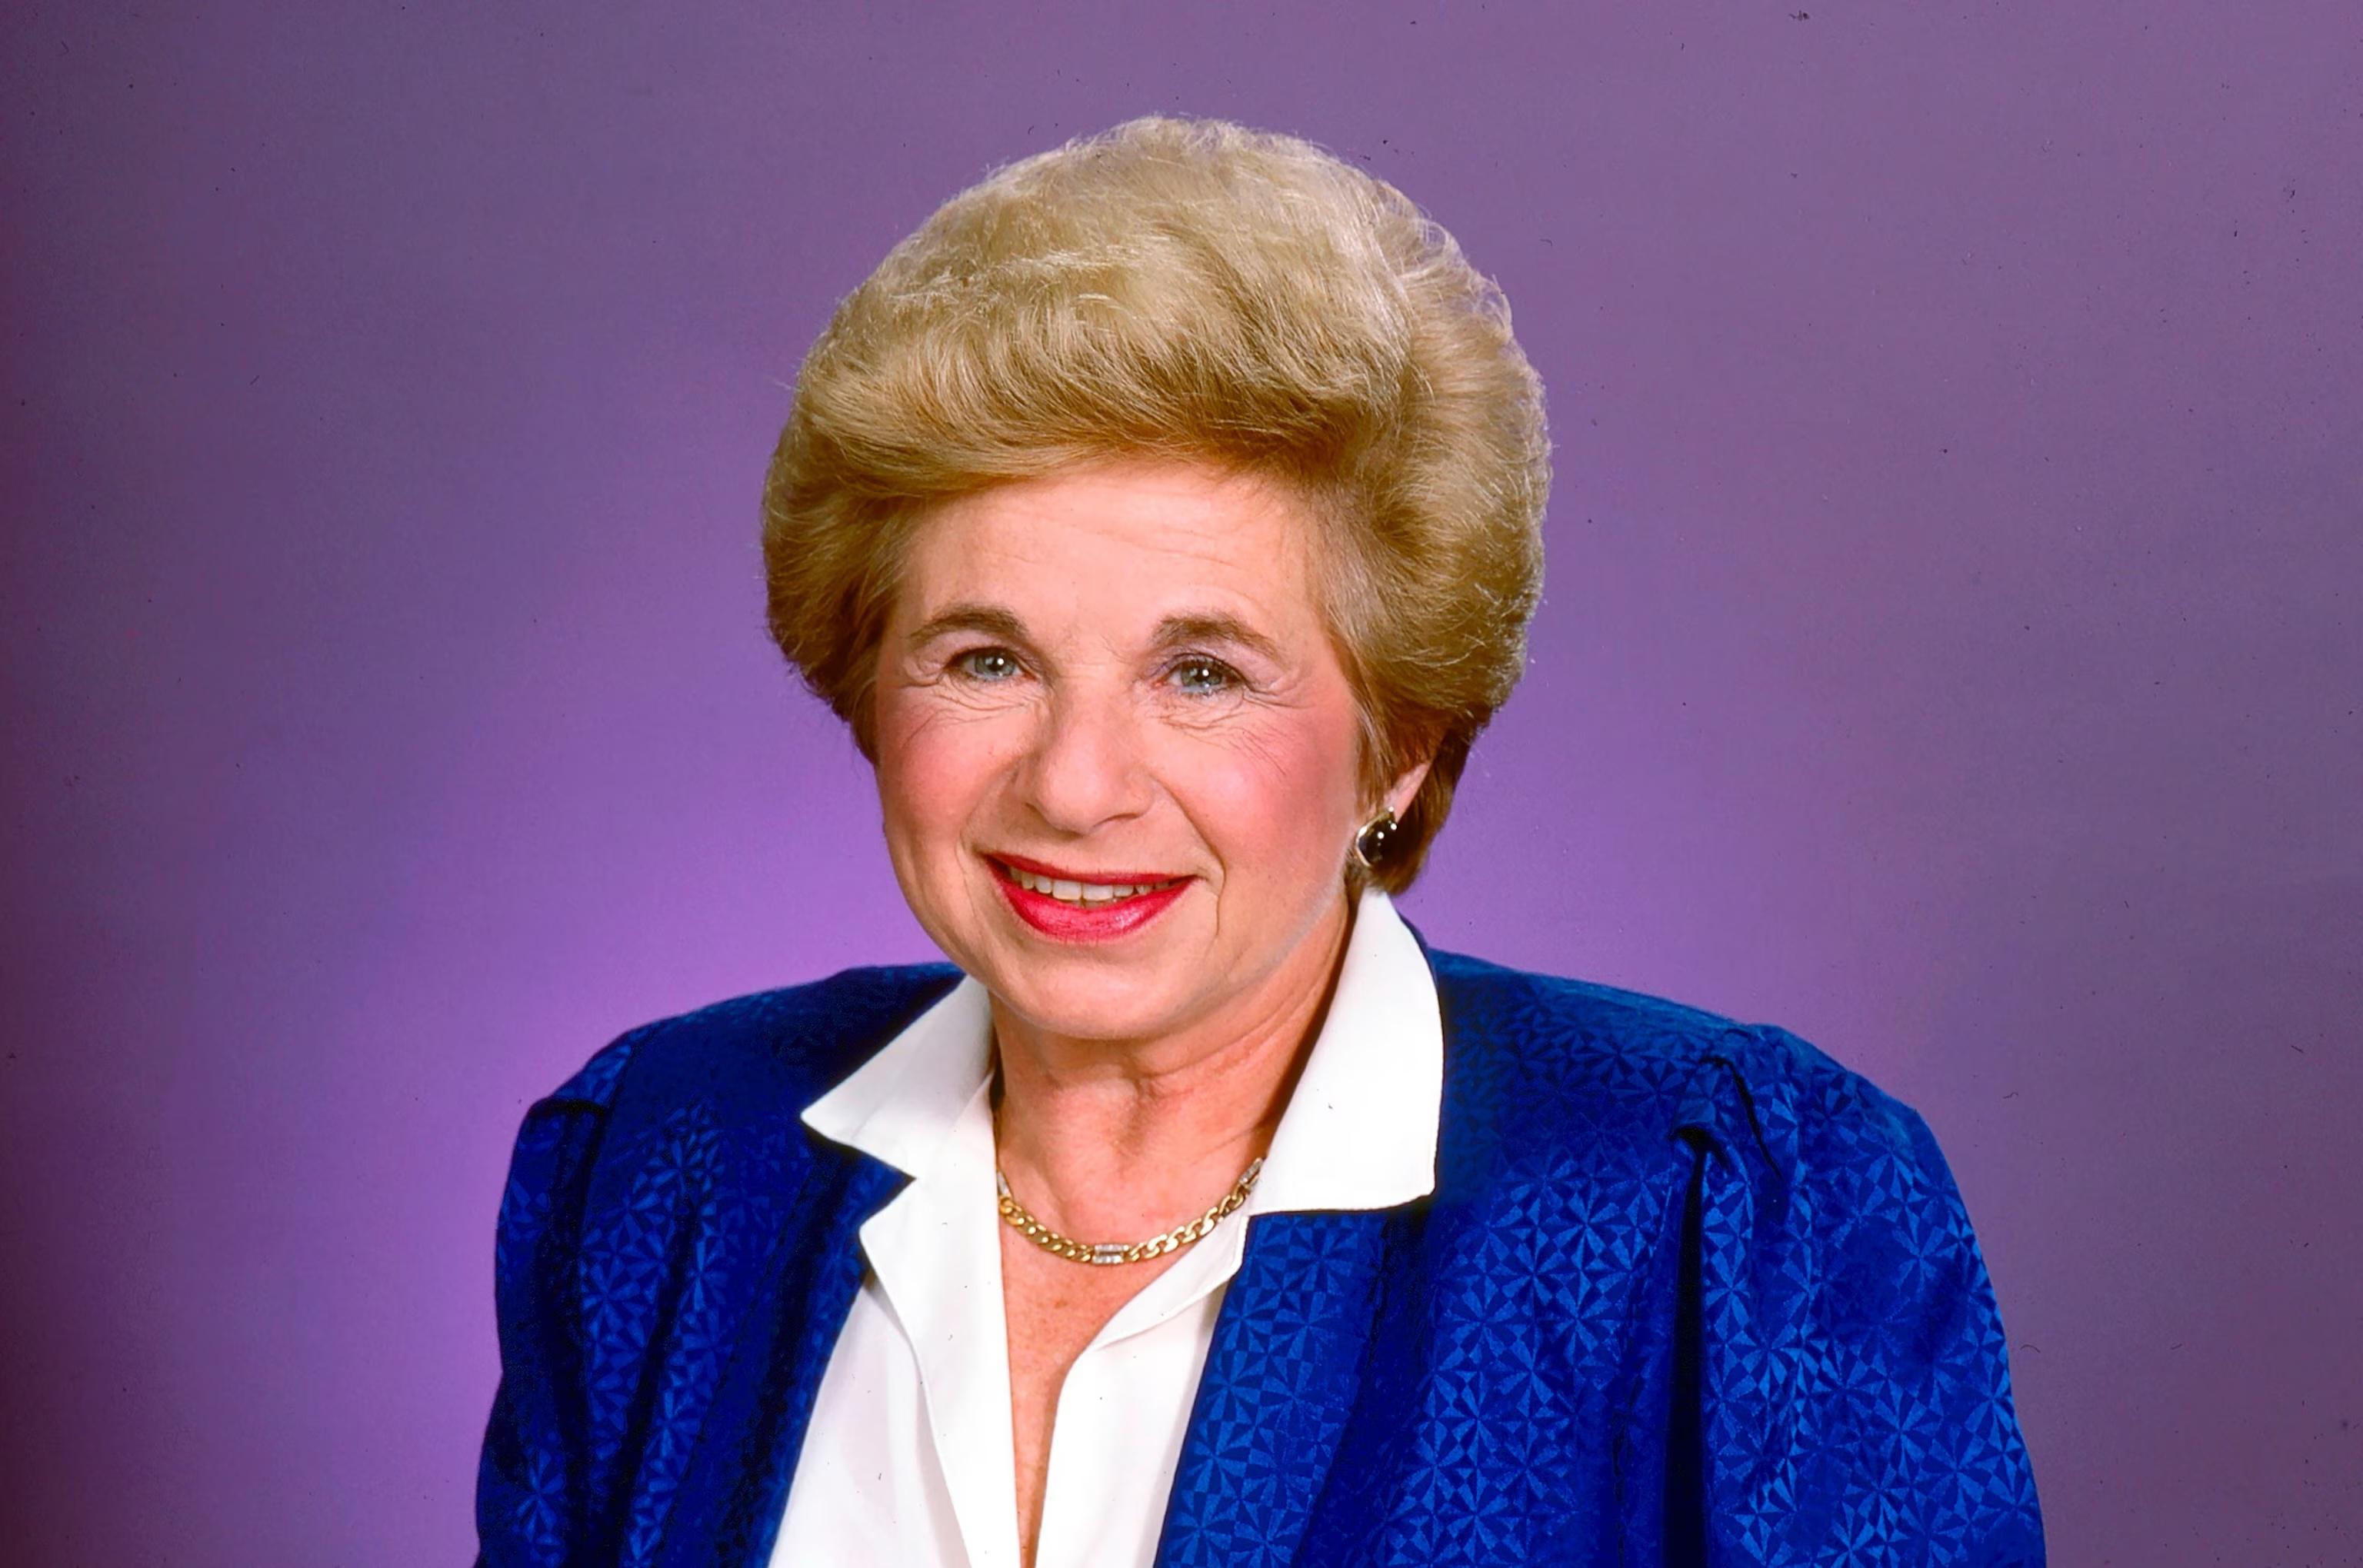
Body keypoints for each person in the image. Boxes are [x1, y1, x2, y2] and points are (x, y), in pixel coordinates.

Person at [473, 115, 2045, 1567]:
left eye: (1204, 673)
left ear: (1398, 742)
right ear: (868, 688)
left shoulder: (1720, 1211)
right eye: (988, 659)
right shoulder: (669, 1162)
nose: (1076, 786)